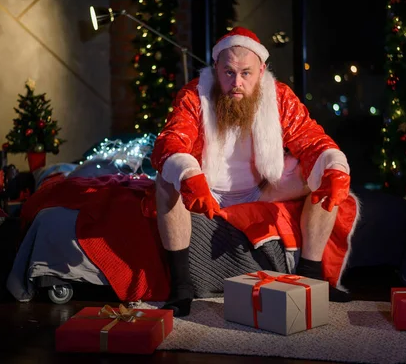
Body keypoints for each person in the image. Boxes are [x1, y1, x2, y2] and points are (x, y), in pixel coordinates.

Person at [150, 27, 353, 317]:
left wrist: (333, 165)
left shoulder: (280, 97)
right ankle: (181, 287)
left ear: (261, 70)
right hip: (206, 187)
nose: (236, 83)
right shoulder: (194, 95)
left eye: (246, 73)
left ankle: (313, 275)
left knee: (322, 172)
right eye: (229, 72)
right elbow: (171, 141)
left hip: (261, 188)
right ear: (216, 69)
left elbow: (311, 139)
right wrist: (187, 174)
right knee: (166, 179)